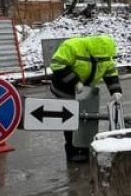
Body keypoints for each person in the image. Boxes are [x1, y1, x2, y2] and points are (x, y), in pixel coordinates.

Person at [49, 34, 122, 163]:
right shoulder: (71, 46)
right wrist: (75, 82)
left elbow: (110, 72)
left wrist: (115, 90)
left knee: (86, 118)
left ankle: (85, 148)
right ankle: (72, 151)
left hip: (85, 92)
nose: (101, 61)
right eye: (98, 59)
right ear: (91, 52)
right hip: (64, 88)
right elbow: (57, 65)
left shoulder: (105, 54)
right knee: (71, 119)